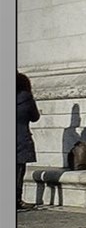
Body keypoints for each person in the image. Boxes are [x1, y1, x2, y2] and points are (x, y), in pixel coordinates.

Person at [17, 72, 39, 210]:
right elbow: (35, 117)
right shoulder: (26, 98)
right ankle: (17, 199)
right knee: (19, 171)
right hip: (21, 138)